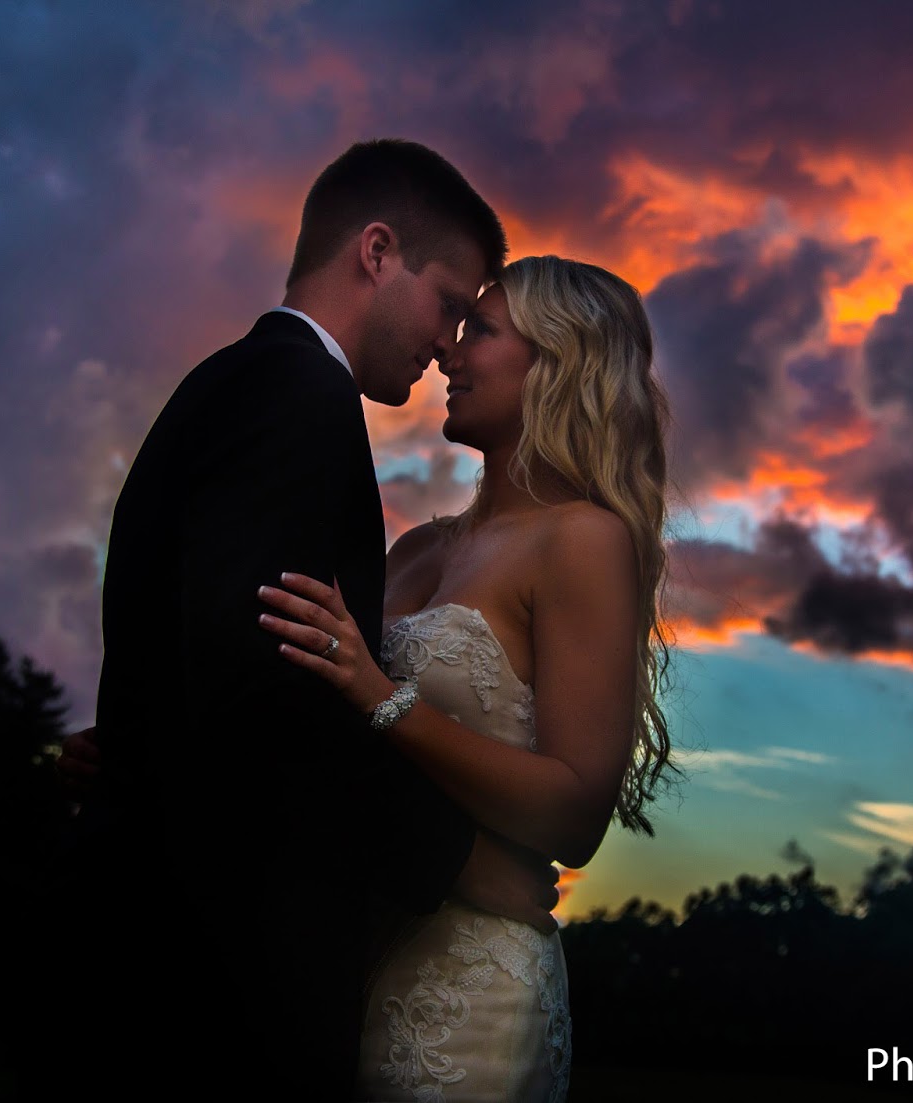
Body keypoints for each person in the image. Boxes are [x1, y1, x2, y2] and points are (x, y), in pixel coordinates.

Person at [49, 139, 560, 1101]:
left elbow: (203, 652)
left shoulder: (227, 382)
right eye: (450, 302)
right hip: (218, 973)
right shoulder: (298, 398)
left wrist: (131, 743)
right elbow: (271, 689)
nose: (450, 342)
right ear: (376, 251)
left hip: (157, 942)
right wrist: (459, 866)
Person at [254, 254, 676, 1101]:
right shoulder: (416, 549)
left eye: (479, 330)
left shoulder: (584, 541)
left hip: (472, 993)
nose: (448, 350)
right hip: (352, 957)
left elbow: (575, 810)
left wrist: (382, 696)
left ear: (559, 362)